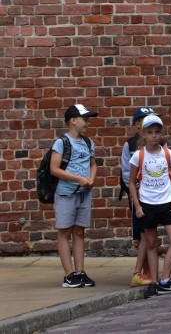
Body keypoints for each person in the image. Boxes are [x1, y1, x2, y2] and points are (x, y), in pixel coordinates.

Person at [129, 115, 171, 294]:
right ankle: (154, 282)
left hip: (167, 202)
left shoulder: (169, 154)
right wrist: (138, 206)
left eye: (157, 132)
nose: (154, 135)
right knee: (151, 243)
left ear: (161, 133)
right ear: (144, 134)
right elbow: (132, 182)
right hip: (148, 204)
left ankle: (165, 279)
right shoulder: (138, 156)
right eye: (150, 132)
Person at [50, 104, 99, 288]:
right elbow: (54, 169)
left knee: (79, 231)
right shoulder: (61, 143)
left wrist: (91, 178)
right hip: (66, 194)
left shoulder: (88, 142)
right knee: (64, 231)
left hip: (83, 194)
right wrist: (78, 178)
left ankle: (80, 272)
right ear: (73, 121)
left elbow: (93, 164)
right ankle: (69, 275)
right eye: (84, 119)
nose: (87, 123)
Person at [120, 106, 158, 287]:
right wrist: (136, 190)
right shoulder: (129, 145)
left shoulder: (161, 142)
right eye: (144, 120)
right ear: (137, 125)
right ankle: (141, 271)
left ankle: (147, 271)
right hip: (139, 195)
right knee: (141, 233)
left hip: (156, 195)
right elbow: (127, 173)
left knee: (149, 232)